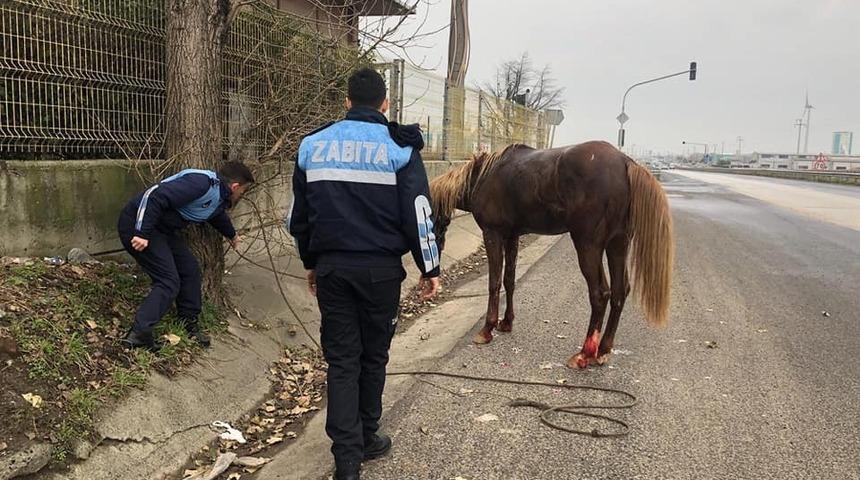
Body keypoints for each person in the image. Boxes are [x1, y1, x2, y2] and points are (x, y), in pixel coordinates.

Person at [287, 68, 441, 480]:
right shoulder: (399, 147)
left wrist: (310, 263)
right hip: (381, 273)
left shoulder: (312, 145)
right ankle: (368, 436)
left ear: (347, 102)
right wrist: (430, 268)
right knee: (373, 356)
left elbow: (298, 219)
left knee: (342, 361)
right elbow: (419, 214)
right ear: (385, 104)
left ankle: (346, 462)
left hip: (333, 270)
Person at [117, 162, 255, 351]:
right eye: (243, 191)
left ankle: (188, 322)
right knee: (168, 281)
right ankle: (138, 334)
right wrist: (142, 232)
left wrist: (232, 235)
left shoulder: (218, 196)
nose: (242, 195)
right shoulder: (201, 183)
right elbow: (154, 196)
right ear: (235, 186)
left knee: (190, 270)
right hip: (138, 228)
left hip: (162, 231)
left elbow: (215, 215)